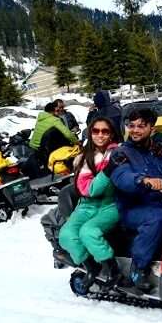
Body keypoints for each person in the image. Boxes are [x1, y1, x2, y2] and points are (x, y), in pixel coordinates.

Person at [108, 108, 162, 292]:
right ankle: (139, 268)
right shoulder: (121, 153)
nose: (135, 130)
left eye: (141, 126)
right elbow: (122, 177)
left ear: (152, 128)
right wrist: (142, 180)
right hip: (132, 208)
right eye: (131, 126)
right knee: (157, 218)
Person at [58, 117, 121, 286]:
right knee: (66, 235)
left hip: (109, 204)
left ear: (111, 134)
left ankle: (113, 269)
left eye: (105, 131)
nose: (100, 135)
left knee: (88, 232)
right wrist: (107, 170)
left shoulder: (117, 154)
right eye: (96, 131)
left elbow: (95, 189)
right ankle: (91, 267)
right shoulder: (84, 158)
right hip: (86, 205)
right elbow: (86, 189)